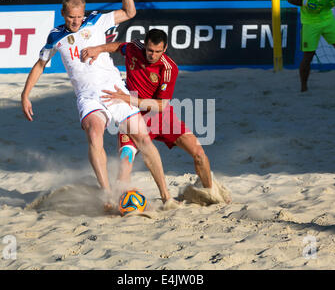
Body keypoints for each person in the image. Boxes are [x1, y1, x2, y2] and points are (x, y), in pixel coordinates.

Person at [21, 0, 176, 209]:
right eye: (71, 17)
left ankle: (166, 196)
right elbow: (40, 65)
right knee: (95, 135)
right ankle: (107, 196)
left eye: (79, 16)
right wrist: (25, 95)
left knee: (143, 138)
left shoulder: (97, 21)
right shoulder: (55, 36)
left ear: (85, 12)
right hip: (88, 96)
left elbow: (129, 12)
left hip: (114, 90)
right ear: (63, 14)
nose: (75, 21)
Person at [81, 29, 231, 204]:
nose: (153, 55)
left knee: (198, 152)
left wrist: (127, 98)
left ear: (165, 48)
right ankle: (120, 202)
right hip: (131, 115)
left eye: (158, 51)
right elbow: (118, 47)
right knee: (125, 160)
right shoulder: (134, 47)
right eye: (150, 50)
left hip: (160, 116)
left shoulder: (169, 68)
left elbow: (161, 105)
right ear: (145, 45)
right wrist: (99, 48)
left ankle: (210, 192)